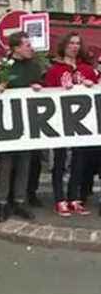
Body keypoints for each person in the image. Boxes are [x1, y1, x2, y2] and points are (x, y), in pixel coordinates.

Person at [44, 32, 100, 217]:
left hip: (82, 124)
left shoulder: (86, 69)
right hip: (60, 122)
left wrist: (91, 84)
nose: (74, 46)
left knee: (79, 160)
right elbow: (46, 95)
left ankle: (74, 198)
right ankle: (60, 199)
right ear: (64, 45)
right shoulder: (55, 70)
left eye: (77, 43)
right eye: (71, 43)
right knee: (59, 161)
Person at [0, 32, 44, 223]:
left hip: (27, 123)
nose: (31, 48)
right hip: (6, 122)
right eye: (27, 45)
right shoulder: (1, 67)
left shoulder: (34, 66)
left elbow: (43, 87)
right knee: (6, 164)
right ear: (16, 48)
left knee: (24, 162)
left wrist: (39, 87)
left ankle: (20, 201)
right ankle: (3, 202)